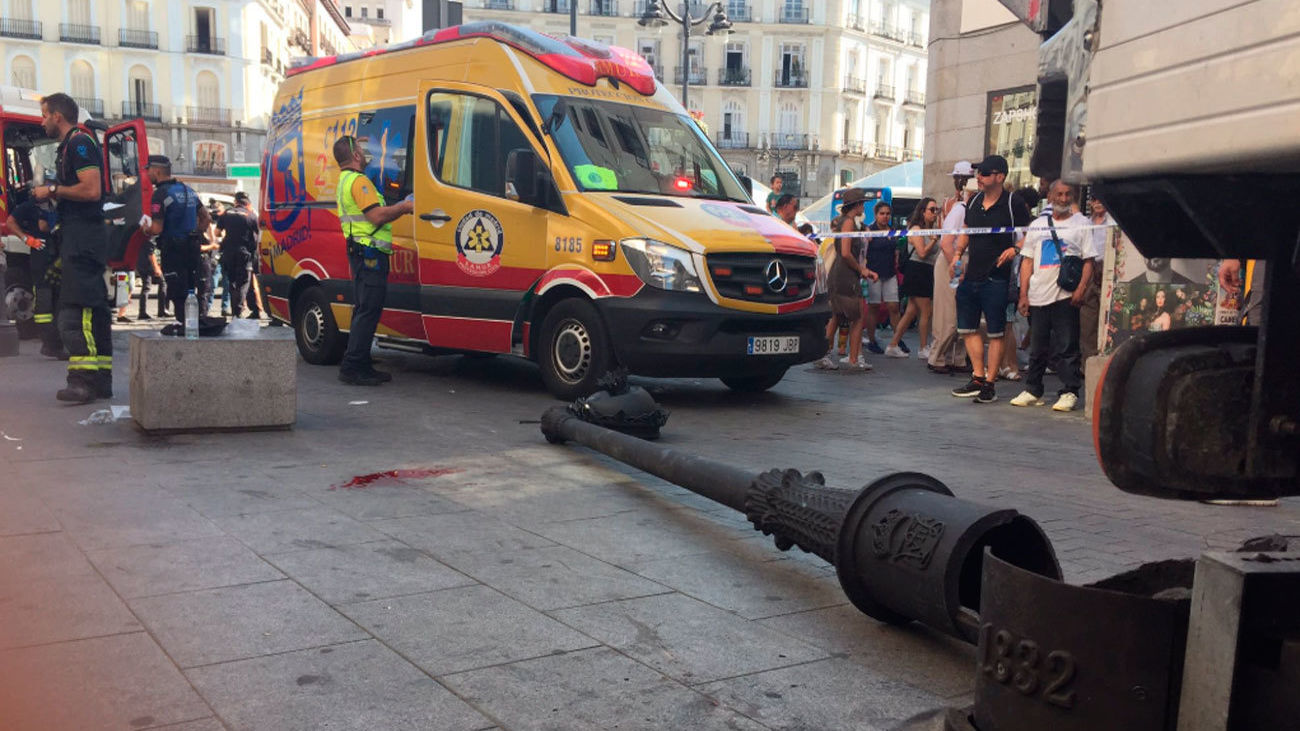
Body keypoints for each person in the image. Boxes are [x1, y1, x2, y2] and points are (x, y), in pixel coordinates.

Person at [31, 93, 113, 403]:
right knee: (92, 308)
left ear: (57, 117)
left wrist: (52, 189)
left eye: (44, 115)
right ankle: (100, 379)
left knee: (76, 309)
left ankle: (82, 381)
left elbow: (92, 190)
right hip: (79, 235)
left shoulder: (80, 142)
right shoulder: (73, 145)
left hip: (83, 237)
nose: (42, 121)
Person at [949, 154, 1033, 403]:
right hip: (971, 274)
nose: (979, 178)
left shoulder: (1012, 203)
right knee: (967, 328)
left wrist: (1016, 248)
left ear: (999, 176)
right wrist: (957, 253)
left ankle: (990, 383)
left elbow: (1030, 233)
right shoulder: (974, 202)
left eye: (984, 174)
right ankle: (977, 376)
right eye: (978, 174)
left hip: (997, 277)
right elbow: (967, 231)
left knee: (997, 332)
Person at [334, 135, 413, 385]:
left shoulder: (344, 180)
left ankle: (360, 362)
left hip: (360, 252)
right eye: (360, 149)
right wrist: (404, 206)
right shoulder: (360, 182)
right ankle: (353, 366)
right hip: (369, 253)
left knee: (363, 308)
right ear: (355, 156)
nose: (365, 153)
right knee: (368, 309)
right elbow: (376, 216)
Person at [1010, 180, 1092, 411]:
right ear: (1050, 196)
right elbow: (1027, 261)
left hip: (1065, 295)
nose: (1063, 199)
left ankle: (1069, 391)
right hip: (1038, 294)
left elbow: (1089, 261)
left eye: (1068, 194)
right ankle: (1033, 389)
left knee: (1067, 346)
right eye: (1059, 194)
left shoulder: (1082, 224)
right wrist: (1023, 293)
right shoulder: (1037, 225)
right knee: (1038, 347)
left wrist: (1080, 289)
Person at [815, 187, 877, 371]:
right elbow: (846, 252)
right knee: (857, 316)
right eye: (862, 203)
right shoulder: (849, 222)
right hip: (846, 274)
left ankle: (823, 354)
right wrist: (861, 269)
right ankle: (854, 358)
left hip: (839, 272)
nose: (864, 206)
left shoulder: (844, 221)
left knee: (837, 314)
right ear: (856, 205)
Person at [144, 155, 202, 323]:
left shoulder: (160, 194)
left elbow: (156, 228)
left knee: (177, 292)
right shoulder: (188, 189)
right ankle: (193, 324)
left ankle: (184, 328)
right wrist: (191, 232)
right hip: (192, 248)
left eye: (148, 170)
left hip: (173, 249)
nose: (147, 174)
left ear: (157, 171)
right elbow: (205, 218)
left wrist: (145, 229)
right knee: (191, 289)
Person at [4, 197, 65, 358]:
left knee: (59, 301)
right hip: (40, 259)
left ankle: (57, 342)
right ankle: (50, 344)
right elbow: (10, 222)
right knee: (44, 304)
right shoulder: (29, 206)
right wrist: (26, 239)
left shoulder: (59, 206)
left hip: (57, 259)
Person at [929, 176, 975, 375]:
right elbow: (946, 243)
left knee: (961, 312)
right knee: (948, 313)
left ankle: (955, 357)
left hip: (961, 259)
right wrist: (956, 266)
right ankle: (938, 356)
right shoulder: (960, 211)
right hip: (953, 260)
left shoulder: (970, 212)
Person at [887, 197, 940, 359]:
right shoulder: (917, 228)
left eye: (936, 210)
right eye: (932, 210)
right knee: (925, 311)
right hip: (917, 269)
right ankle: (923, 348)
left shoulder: (931, 229)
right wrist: (933, 241)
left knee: (911, 311)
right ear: (923, 211)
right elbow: (922, 253)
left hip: (925, 270)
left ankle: (893, 344)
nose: (934, 213)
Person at [863, 201, 903, 356]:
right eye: (882, 213)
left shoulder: (892, 230)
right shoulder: (870, 231)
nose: (885, 216)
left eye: (887, 213)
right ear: (876, 215)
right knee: (873, 307)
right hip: (874, 274)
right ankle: (871, 340)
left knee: (894, 307)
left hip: (890, 273)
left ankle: (897, 340)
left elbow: (896, 250)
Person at [1078, 196, 1112, 359]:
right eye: (1094, 200)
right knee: (1088, 319)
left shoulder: (1112, 221)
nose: (1097, 203)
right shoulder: (1085, 223)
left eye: (1101, 199)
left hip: (1109, 268)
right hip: (1089, 268)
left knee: (1108, 317)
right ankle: (1088, 363)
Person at [216, 191, 259, 318]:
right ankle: (237, 313)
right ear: (247, 203)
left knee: (233, 282)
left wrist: (228, 235)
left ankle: (248, 311)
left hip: (229, 253)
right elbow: (258, 235)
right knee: (244, 283)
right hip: (244, 253)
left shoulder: (226, 213)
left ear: (235, 202)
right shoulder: (251, 215)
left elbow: (217, 232)